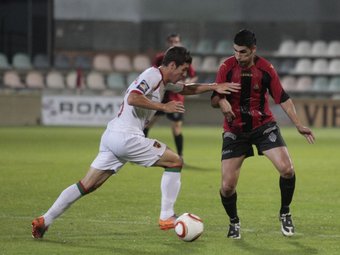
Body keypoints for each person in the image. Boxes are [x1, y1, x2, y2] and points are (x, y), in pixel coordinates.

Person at [32, 46, 240, 239]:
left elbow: (186, 88)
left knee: (86, 185)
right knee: (175, 161)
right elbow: (132, 97)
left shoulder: (162, 80)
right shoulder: (152, 75)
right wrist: (163, 107)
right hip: (126, 136)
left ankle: (45, 220)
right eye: (183, 69)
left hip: (113, 135)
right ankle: (167, 215)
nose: (184, 73)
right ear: (171, 65)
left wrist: (214, 86)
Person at [211, 29, 315, 239]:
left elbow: (282, 97)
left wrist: (298, 124)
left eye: (243, 52)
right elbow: (215, 97)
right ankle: (234, 222)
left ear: (253, 50)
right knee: (227, 187)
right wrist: (222, 103)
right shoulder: (226, 67)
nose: (238, 56)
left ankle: (285, 212)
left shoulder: (266, 69)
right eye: (235, 51)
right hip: (235, 130)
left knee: (287, 169)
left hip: (263, 126)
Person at [143, 33, 198, 159]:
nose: (174, 44)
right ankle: (139, 151)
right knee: (147, 124)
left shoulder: (184, 60)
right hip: (160, 98)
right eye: (172, 41)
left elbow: (193, 75)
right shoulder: (160, 58)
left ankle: (180, 155)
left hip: (175, 98)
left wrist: (188, 83)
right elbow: (154, 73)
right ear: (168, 43)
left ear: (179, 43)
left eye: (176, 41)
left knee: (176, 128)